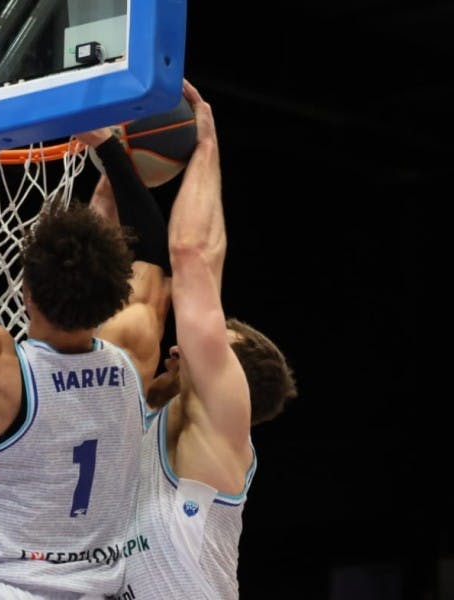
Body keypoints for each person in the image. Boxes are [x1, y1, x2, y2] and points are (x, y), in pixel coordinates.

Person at [0, 123, 171, 597]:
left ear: (25, 292)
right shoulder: (133, 349)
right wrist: (111, 153)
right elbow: (155, 256)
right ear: (117, 294)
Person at [116, 80, 298, 599]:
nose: (180, 347)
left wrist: (206, 147)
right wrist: (111, 162)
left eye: (212, 346)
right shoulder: (142, 412)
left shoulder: (217, 424)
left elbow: (191, 256)